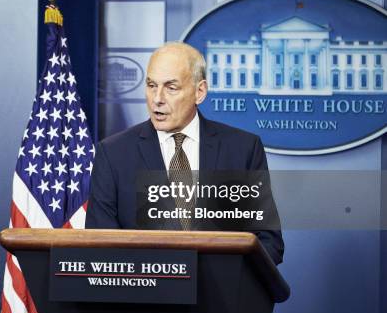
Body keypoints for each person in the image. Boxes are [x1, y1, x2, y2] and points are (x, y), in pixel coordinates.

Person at [85, 42, 284, 265]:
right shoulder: (113, 154)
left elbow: (269, 242)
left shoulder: (242, 149)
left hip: (221, 296)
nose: (157, 98)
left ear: (199, 92)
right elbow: (100, 246)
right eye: (151, 85)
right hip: (144, 296)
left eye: (171, 87)